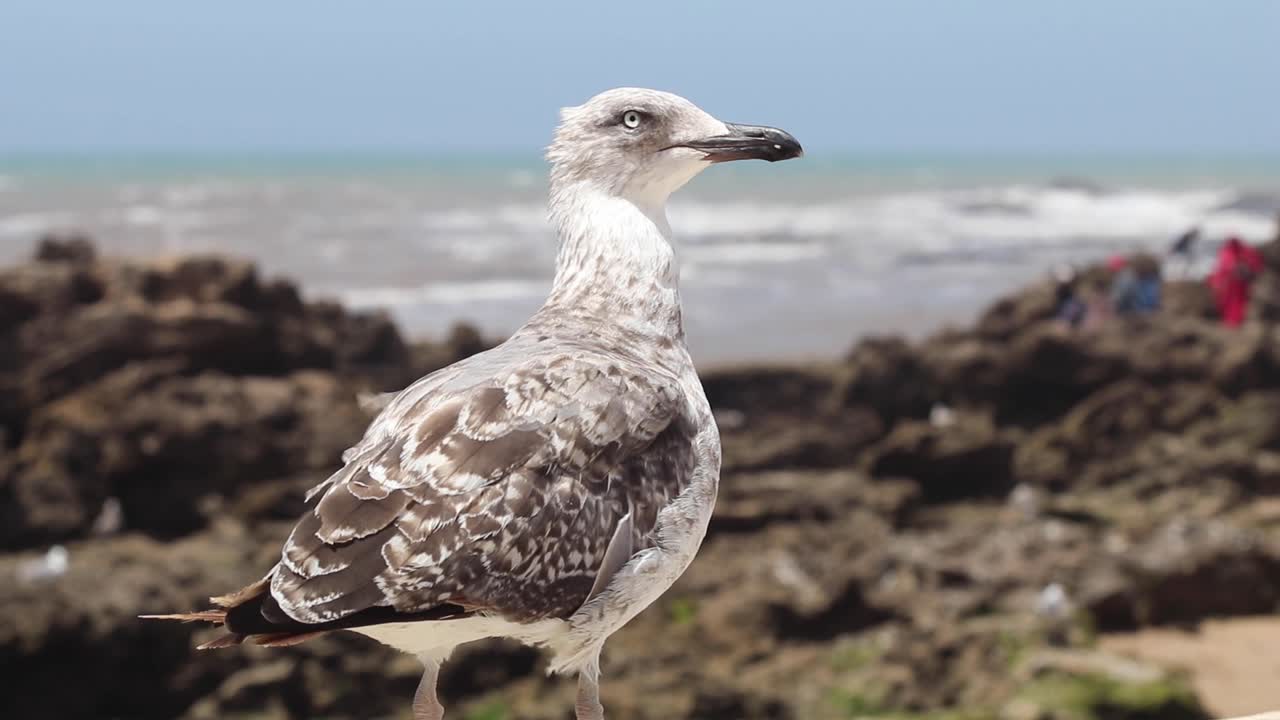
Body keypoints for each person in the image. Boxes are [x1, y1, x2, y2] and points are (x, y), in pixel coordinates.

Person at [1208, 236, 1264, 327]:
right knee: (1231, 303)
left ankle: (1234, 322)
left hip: (1239, 283)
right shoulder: (1230, 252)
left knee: (1237, 303)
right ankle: (1232, 322)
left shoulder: (1241, 252)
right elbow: (1222, 269)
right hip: (1232, 284)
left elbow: (1255, 265)